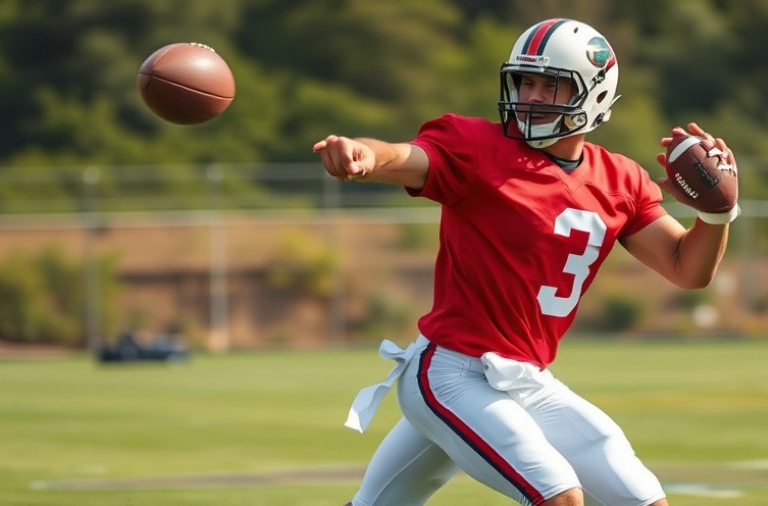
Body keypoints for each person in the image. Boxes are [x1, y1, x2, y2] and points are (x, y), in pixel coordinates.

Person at [313, 17, 739, 506]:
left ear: (595, 95)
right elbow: (405, 156)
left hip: (525, 380)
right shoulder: (476, 148)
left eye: (551, 85)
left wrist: (718, 212)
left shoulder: (620, 179)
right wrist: (363, 154)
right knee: (559, 498)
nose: (532, 96)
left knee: (643, 501)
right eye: (525, 81)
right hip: (452, 372)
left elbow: (688, 269)